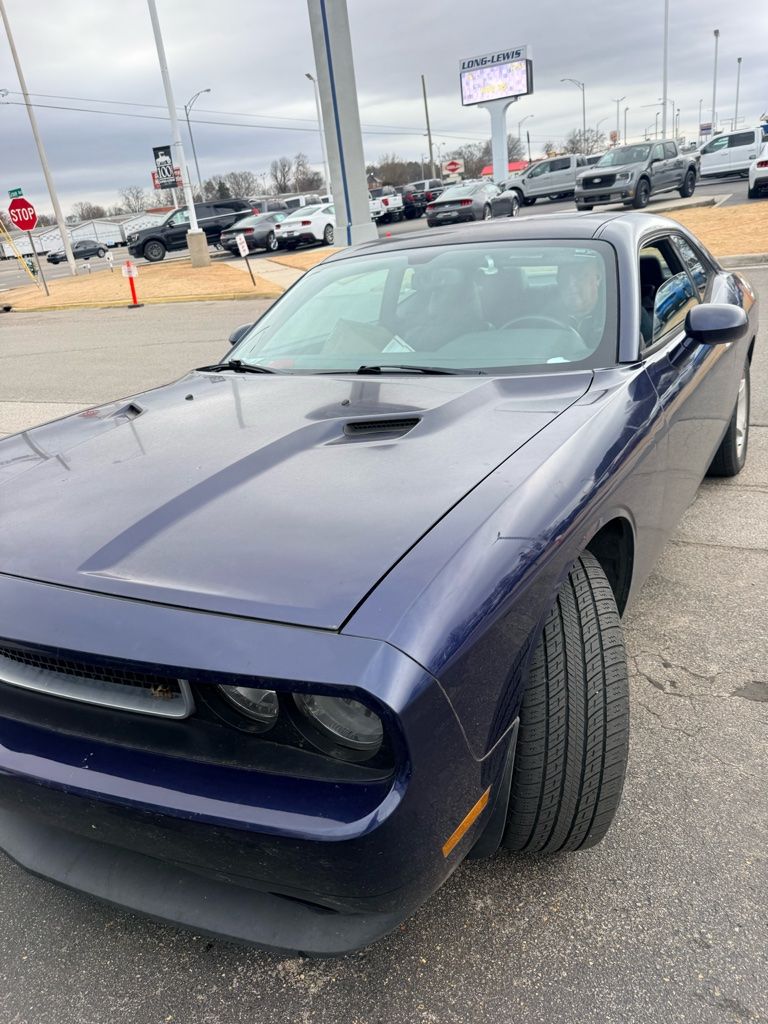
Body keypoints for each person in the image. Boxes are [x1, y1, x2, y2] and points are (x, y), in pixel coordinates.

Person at [556, 258, 605, 347]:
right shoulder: (545, 316)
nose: (571, 285)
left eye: (579, 276)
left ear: (597, 278)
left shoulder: (617, 316)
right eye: (564, 277)